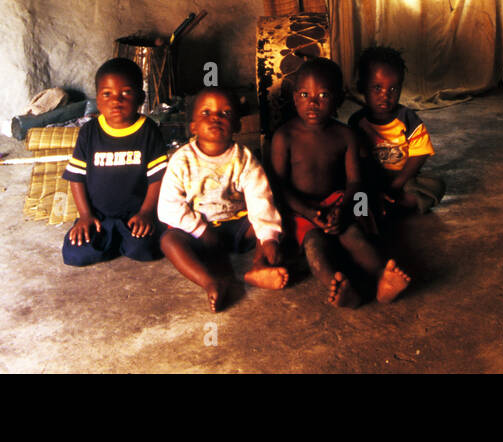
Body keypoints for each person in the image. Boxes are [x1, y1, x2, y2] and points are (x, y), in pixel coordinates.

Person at [270, 58, 411, 306]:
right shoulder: (284, 137)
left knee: (354, 235)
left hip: (338, 201)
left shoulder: (345, 135)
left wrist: (343, 209)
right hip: (300, 209)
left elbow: (355, 182)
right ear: (294, 98)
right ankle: (340, 287)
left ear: (339, 99)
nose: (313, 103)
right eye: (305, 94)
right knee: (314, 246)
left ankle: (382, 278)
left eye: (323, 95)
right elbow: (278, 187)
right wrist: (310, 212)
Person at [158, 87, 287, 311]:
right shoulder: (182, 160)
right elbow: (168, 206)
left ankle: (258, 266)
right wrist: (200, 230)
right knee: (169, 240)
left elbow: (260, 200)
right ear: (193, 126)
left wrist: (268, 239)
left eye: (226, 113)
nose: (216, 118)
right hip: (199, 231)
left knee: (272, 225)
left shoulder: (244, 159)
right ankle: (209, 281)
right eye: (206, 113)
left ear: (237, 124)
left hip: (236, 227)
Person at [62, 58, 168, 266]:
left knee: (146, 248)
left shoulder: (148, 131)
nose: (116, 101)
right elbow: (76, 177)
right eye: (107, 94)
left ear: (141, 98)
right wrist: (85, 215)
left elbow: (158, 178)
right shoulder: (89, 133)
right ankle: (114, 241)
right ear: (98, 100)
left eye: (126, 93)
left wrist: (147, 213)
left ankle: (122, 242)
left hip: (136, 215)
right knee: (75, 253)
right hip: (98, 217)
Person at [349, 46, 446, 215]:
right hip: (371, 178)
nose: (385, 96)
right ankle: (377, 206)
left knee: (436, 185)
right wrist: (375, 186)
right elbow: (359, 161)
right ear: (362, 87)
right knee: (353, 186)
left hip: (403, 178)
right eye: (377, 88)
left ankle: (390, 206)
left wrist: (395, 185)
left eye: (393, 89)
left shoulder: (409, 119)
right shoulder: (357, 123)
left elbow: (419, 154)